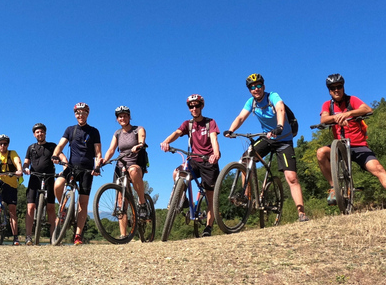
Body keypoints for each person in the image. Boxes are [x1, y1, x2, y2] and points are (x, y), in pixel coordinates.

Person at [223, 73, 309, 222]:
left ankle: (301, 213)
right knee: (245, 159)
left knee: (291, 177)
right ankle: (247, 198)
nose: (256, 89)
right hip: (267, 138)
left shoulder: (272, 96)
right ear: (249, 90)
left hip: (283, 139)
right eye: (252, 87)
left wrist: (280, 126)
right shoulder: (251, 102)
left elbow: (280, 108)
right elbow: (241, 117)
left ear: (263, 86)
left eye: (258, 86)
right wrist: (231, 130)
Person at [316, 74, 386, 203]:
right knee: (321, 153)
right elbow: (323, 119)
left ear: (343, 87)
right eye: (332, 88)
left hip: (359, 146)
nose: (336, 90)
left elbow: (367, 109)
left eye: (339, 86)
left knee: (379, 169)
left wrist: (348, 114)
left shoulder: (352, 100)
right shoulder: (327, 105)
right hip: (340, 147)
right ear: (329, 91)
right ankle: (333, 187)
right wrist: (336, 118)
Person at [160, 95, 221, 236]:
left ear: (202, 106)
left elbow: (214, 138)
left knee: (211, 197)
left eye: (196, 105)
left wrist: (216, 154)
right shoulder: (188, 124)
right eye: (191, 106)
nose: (194, 109)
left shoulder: (210, 122)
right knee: (177, 173)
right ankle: (183, 199)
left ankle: (208, 228)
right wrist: (166, 141)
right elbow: (177, 133)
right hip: (193, 160)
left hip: (208, 161)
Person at [52, 103, 102, 245]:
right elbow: (60, 145)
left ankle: (78, 235)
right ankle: (63, 208)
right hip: (71, 167)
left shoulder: (94, 131)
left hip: (87, 169)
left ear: (87, 114)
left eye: (83, 112)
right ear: (75, 115)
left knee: (83, 203)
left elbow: (98, 152)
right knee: (58, 184)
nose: (80, 115)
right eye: (77, 113)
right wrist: (55, 155)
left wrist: (97, 166)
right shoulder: (70, 130)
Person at [102, 106, 149, 238]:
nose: (122, 118)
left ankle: (142, 203)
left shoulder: (138, 129)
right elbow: (111, 149)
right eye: (120, 116)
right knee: (121, 200)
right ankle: (123, 235)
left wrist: (139, 145)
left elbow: (142, 139)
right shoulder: (117, 133)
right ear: (117, 119)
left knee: (133, 170)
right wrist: (104, 160)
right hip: (121, 165)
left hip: (136, 163)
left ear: (129, 117)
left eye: (125, 116)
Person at [23, 123, 65, 245]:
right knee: (30, 207)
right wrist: (25, 168)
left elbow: (62, 157)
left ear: (45, 133)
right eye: (37, 132)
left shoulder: (52, 146)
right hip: (34, 178)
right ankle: (28, 237)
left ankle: (53, 237)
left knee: (51, 208)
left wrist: (64, 165)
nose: (40, 134)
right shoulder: (31, 148)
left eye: (42, 131)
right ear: (34, 134)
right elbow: (26, 162)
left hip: (49, 178)